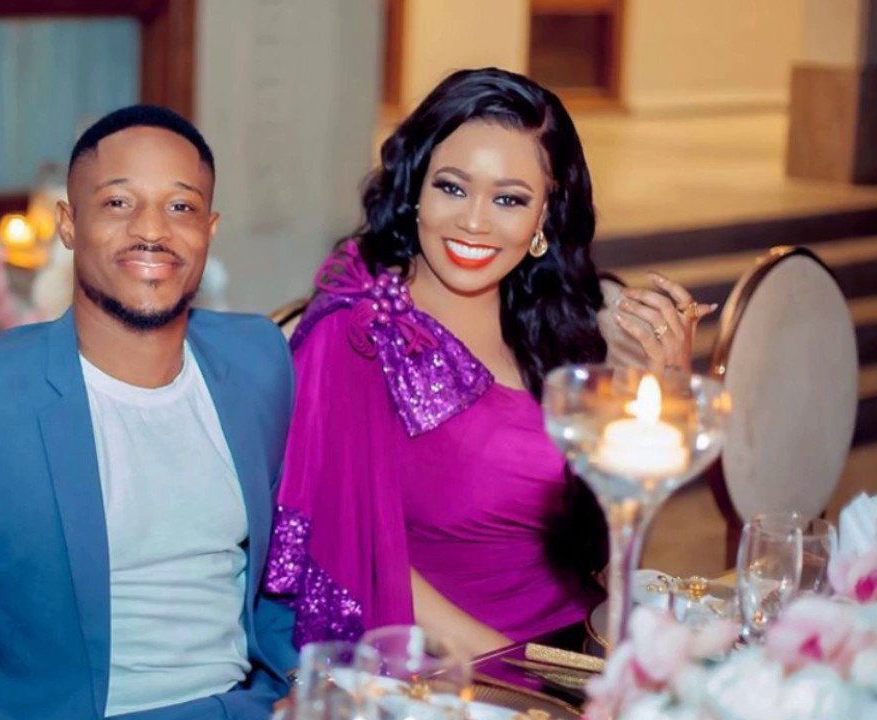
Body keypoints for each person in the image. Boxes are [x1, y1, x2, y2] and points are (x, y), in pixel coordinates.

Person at [0, 105, 296, 719]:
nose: (152, 229)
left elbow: (290, 562)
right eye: (118, 202)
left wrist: (296, 682)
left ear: (209, 229)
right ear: (69, 223)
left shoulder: (259, 357)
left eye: (181, 206)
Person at [265, 68, 715, 656]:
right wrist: (532, 677)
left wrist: (662, 392)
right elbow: (355, 560)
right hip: (456, 671)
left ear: (544, 216)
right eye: (452, 188)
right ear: (415, 189)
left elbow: (607, 549)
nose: (474, 221)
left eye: (509, 199)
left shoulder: (561, 326)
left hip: (583, 642)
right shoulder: (359, 333)